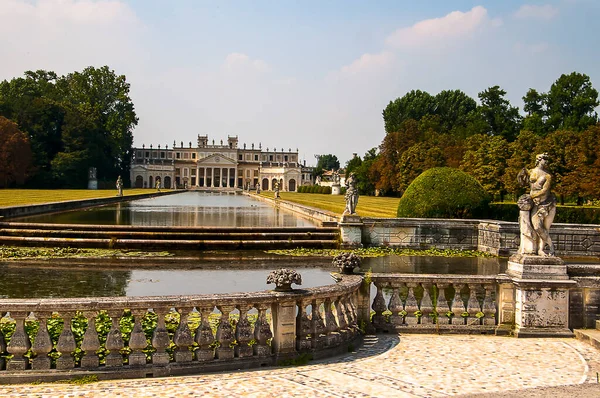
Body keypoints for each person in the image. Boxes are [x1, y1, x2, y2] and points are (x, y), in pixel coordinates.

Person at [517, 153, 556, 256]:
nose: (546, 162)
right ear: (539, 160)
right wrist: (520, 176)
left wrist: (531, 196)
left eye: (547, 160)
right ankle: (534, 248)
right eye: (545, 160)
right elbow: (522, 183)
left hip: (545, 203)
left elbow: (544, 190)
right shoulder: (531, 172)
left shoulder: (547, 176)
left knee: (541, 227)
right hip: (534, 203)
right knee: (535, 226)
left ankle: (545, 248)